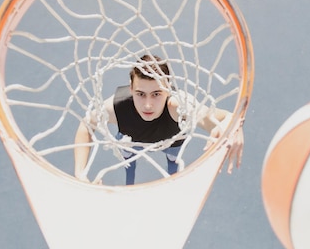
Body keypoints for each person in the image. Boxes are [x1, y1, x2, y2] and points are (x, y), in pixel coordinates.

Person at [74, 54, 244, 185]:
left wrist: (234, 125)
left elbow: (226, 116)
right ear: (131, 88)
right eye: (141, 94)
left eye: (156, 94)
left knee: (173, 162)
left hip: (170, 141)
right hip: (131, 141)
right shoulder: (117, 107)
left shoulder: (179, 107)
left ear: (168, 88)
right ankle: (129, 186)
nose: (148, 105)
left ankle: (171, 180)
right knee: (128, 161)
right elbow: (86, 125)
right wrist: (80, 173)